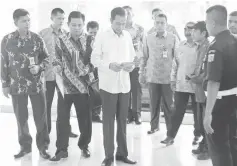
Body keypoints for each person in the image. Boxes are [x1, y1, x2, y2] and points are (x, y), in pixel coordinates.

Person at [1, 9, 50, 159]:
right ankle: (25, 147)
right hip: (16, 86)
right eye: (23, 21)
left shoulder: (37, 39)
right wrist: (4, 84)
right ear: (15, 22)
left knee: (40, 117)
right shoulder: (7, 40)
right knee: (21, 118)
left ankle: (43, 147)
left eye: (29, 20)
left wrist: (39, 67)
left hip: (36, 85)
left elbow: (47, 60)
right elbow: (3, 63)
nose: (27, 23)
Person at [91, 7, 138, 166]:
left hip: (124, 85)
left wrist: (130, 66)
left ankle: (122, 154)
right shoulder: (102, 35)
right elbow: (94, 59)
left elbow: (132, 57)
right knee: (108, 122)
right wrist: (109, 65)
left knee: (123, 121)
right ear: (111, 21)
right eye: (118, 23)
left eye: (123, 23)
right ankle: (109, 156)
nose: (120, 27)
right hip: (109, 86)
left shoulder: (127, 36)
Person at [50, 11, 92, 161]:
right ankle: (61, 150)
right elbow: (56, 59)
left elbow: (94, 62)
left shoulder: (89, 40)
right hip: (65, 87)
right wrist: (56, 66)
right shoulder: (61, 40)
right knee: (62, 119)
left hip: (83, 87)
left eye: (79, 25)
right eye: (73, 25)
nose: (76, 28)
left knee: (85, 119)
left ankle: (84, 146)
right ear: (68, 25)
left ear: (83, 24)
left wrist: (86, 70)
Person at [204, 5, 237, 166]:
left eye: (206, 22)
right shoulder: (234, 40)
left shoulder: (216, 46)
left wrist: (208, 112)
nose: (206, 25)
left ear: (213, 23)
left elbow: (213, 81)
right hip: (234, 102)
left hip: (220, 103)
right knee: (232, 144)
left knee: (218, 148)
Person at [39, 8, 78, 138]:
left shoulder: (67, 34)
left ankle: (66, 130)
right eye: (59, 18)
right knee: (46, 105)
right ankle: (46, 132)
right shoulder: (42, 34)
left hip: (63, 77)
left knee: (65, 106)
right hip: (48, 76)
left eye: (63, 18)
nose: (61, 21)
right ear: (52, 18)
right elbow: (38, 55)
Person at [161, 22, 201, 146]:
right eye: (185, 28)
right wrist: (172, 80)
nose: (187, 31)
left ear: (195, 31)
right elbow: (175, 64)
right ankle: (170, 136)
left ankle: (197, 135)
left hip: (196, 86)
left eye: (190, 29)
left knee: (198, 113)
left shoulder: (201, 46)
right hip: (181, 85)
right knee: (177, 112)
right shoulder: (180, 46)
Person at [140, 13, 179, 135]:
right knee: (154, 103)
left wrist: (176, 75)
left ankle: (170, 129)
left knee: (169, 105)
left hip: (168, 77)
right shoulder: (148, 37)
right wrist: (142, 72)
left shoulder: (173, 38)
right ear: (154, 24)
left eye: (162, 22)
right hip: (152, 76)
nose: (160, 25)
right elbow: (144, 56)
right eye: (157, 22)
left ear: (166, 24)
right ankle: (154, 126)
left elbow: (177, 58)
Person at [190, 21, 210, 160]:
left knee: (206, 120)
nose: (192, 34)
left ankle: (209, 149)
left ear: (203, 33)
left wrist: (197, 78)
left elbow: (208, 71)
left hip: (205, 89)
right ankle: (204, 144)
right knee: (200, 120)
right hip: (199, 89)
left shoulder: (209, 47)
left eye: (194, 31)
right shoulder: (200, 47)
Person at [123, 6, 144, 125]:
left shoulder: (140, 29)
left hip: (136, 63)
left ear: (133, 14)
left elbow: (144, 47)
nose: (127, 16)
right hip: (124, 64)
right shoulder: (119, 29)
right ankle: (127, 115)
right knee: (125, 89)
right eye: (124, 14)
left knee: (136, 90)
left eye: (129, 13)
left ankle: (137, 114)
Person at [86, 21, 102, 123]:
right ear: (87, 31)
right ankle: (90, 114)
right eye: (91, 32)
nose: (93, 35)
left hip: (99, 69)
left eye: (95, 32)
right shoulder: (84, 41)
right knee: (91, 92)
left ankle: (97, 114)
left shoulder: (101, 41)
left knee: (98, 91)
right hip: (89, 69)